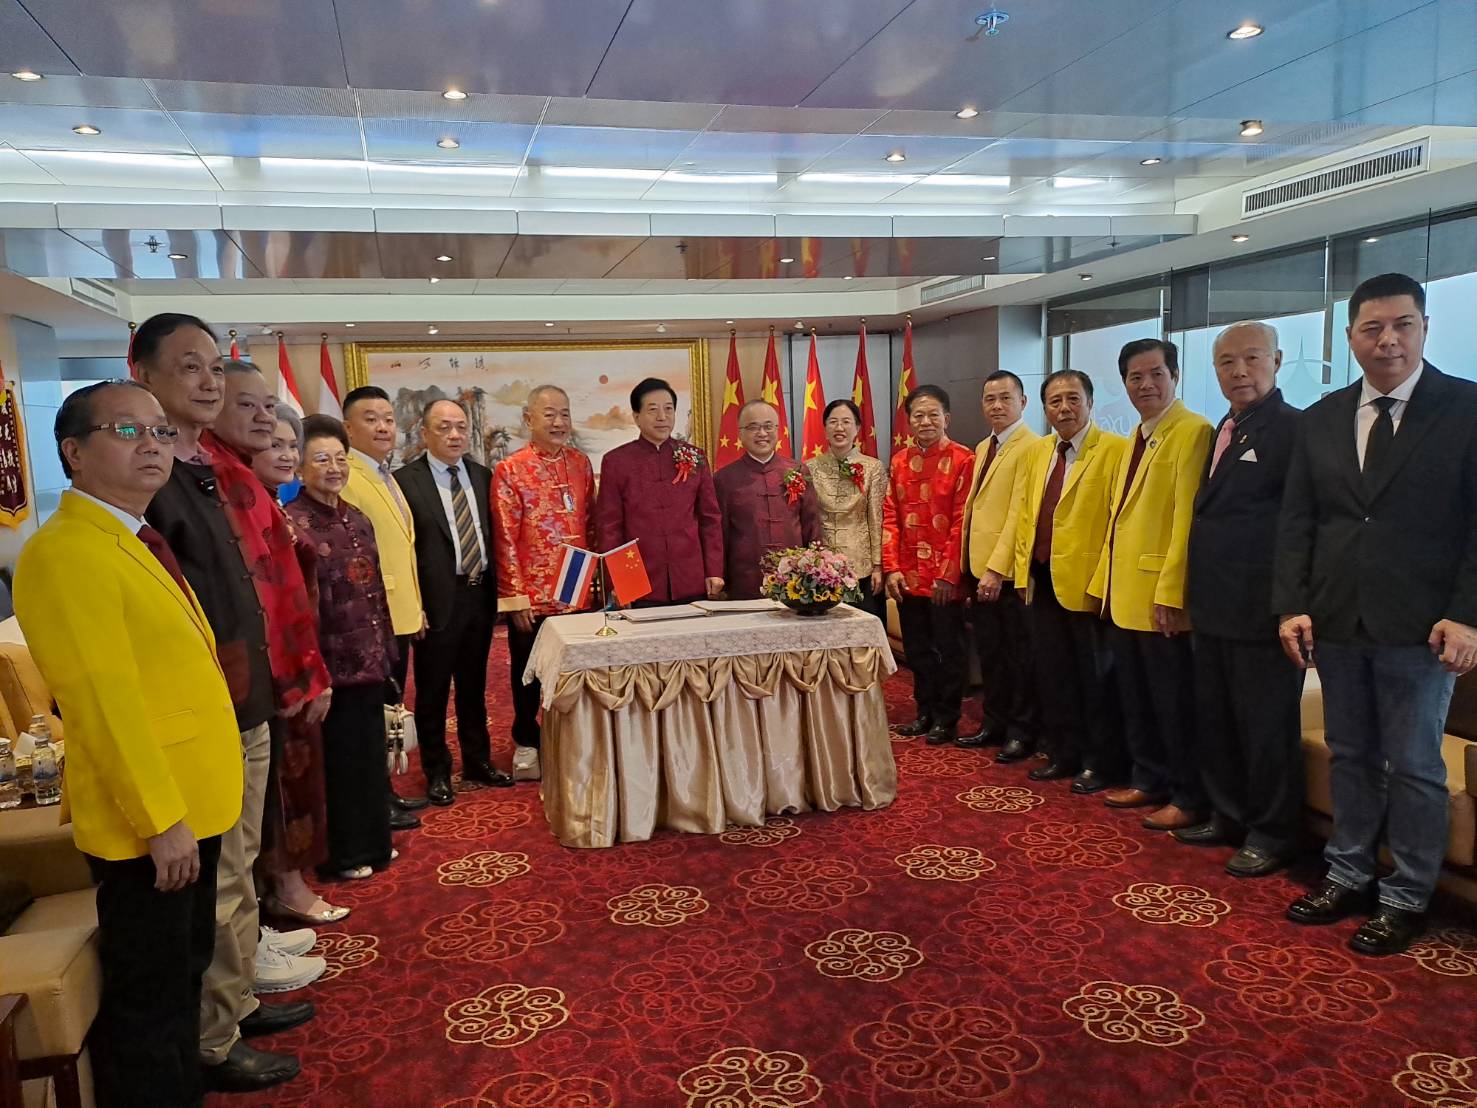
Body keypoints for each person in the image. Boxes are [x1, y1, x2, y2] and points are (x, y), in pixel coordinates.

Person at [15, 381, 244, 1108]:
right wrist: (159, 819)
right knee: (150, 996)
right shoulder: (66, 552)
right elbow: (101, 704)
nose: (152, 444)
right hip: (151, 820)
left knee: (182, 975)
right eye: (126, 430)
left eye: (159, 431)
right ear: (74, 452)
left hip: (191, 799)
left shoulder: (131, 535)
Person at [136, 320, 317, 1094]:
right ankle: (214, 1038)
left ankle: (234, 1005)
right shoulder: (151, 481)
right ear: (143, 375)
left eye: (216, 367)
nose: (210, 382)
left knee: (239, 866)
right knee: (220, 878)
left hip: (245, 699)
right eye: (191, 368)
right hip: (203, 711)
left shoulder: (211, 469)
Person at [1275, 272, 1477, 956]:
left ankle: (1406, 896)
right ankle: (1348, 873)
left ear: (1424, 329)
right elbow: (1299, 521)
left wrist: (1466, 614)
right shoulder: (1323, 417)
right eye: (1372, 328)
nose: (1388, 340)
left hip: (1422, 628)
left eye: (1402, 325)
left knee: (1415, 765)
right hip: (1336, 620)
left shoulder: (1464, 408)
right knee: (1352, 755)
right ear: (1350, 337)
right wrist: (1292, 605)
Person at [1178, 322, 1305, 877]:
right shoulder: (1223, 429)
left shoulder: (1293, 428)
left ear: (1277, 360)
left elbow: (1299, 525)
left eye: (1252, 359)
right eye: (1227, 362)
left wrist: (1291, 605)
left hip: (1261, 609)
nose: (1239, 371)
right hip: (1213, 604)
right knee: (1218, 720)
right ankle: (1227, 814)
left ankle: (1273, 833)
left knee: (1265, 729)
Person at [1093, 339, 1213, 832]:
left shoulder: (1192, 431)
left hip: (1160, 596)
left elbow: (1186, 517)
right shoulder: (1137, 436)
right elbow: (1119, 518)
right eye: (1135, 377)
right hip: (1124, 592)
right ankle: (1148, 777)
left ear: (1175, 376)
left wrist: (1172, 591)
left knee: (1172, 701)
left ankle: (1187, 795)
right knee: (1137, 695)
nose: (1145, 385)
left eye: (1155, 374)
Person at [285, 418, 399, 879]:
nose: (334, 468)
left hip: (369, 658)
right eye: (321, 459)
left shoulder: (357, 518)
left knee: (370, 756)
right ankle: (344, 856)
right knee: (338, 764)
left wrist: (387, 648)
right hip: (328, 665)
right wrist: (311, 671)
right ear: (299, 467)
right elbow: (296, 607)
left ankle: (375, 843)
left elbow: (377, 592)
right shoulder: (294, 524)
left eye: (340, 458)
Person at [251, 413, 349, 922]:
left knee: (296, 778)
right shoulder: (251, 510)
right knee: (280, 785)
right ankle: (283, 887)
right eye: (275, 444)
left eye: (292, 444)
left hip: (301, 658)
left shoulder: (270, 505)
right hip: (275, 669)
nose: (287, 454)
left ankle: (287, 883)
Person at [1011, 371, 1129, 790]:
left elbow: (1116, 523)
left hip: (1087, 585)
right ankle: (1063, 753)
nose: (1064, 408)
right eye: (1055, 401)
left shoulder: (1115, 450)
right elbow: (1027, 515)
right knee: (1053, 673)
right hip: (1042, 579)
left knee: (1094, 678)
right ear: (1045, 408)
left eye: (1073, 399)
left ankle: (1099, 762)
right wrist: (1021, 572)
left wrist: (1103, 584)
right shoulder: (1039, 451)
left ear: (1090, 403)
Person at [396, 399, 514, 805]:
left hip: (478, 595)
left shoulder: (482, 476)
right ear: (424, 433)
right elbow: (404, 551)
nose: (455, 435)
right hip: (435, 602)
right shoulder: (405, 482)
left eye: (461, 427)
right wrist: (414, 604)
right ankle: (437, 771)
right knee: (432, 691)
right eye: (444, 427)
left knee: (473, 685)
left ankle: (478, 761)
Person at [492, 385, 597, 781]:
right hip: (532, 596)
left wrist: (596, 583)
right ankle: (526, 740)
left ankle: (571, 738)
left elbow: (590, 524)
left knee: (575, 672)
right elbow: (504, 538)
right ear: (528, 419)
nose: (558, 422)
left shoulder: (580, 464)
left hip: (577, 589)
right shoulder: (510, 469)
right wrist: (514, 598)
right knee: (528, 672)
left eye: (564, 414)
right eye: (549, 414)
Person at [338, 385, 428, 829]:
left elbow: (401, 550)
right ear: (348, 427)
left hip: (399, 613)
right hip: (373, 618)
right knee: (373, 713)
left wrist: (416, 605)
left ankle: (386, 792)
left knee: (390, 707)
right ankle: (377, 801)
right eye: (371, 419)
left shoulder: (384, 474)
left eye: (389, 419)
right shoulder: (349, 477)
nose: (383, 427)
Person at [883, 384, 975, 745]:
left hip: (943, 580)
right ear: (909, 421)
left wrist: (948, 575)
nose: (925, 421)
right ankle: (924, 712)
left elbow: (962, 522)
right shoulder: (899, 462)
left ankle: (947, 717)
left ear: (946, 418)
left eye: (933, 414)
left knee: (949, 650)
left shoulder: (964, 459)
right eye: (918, 415)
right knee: (918, 649)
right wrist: (891, 568)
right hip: (908, 576)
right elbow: (890, 516)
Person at [959, 371, 1040, 753]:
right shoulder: (983, 446)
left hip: (1005, 575)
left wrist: (995, 569)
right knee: (991, 655)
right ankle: (994, 723)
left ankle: (1021, 732)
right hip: (978, 570)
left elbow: (1018, 516)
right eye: (990, 398)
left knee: (1017, 656)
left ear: (1023, 402)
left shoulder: (1031, 447)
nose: (997, 405)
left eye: (1005, 398)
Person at [596, 377, 724, 604]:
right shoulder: (616, 462)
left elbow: (710, 519)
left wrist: (714, 570)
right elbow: (610, 527)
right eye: (653, 410)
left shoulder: (695, 456)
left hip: (691, 577)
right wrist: (621, 581)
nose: (662, 417)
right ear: (636, 417)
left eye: (669, 409)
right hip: (640, 580)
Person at [714, 400, 822, 599]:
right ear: (740, 433)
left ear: (777, 430)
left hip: (794, 582)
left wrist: (817, 569)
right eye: (753, 427)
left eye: (768, 426)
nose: (762, 433)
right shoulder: (724, 478)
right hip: (745, 582)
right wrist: (720, 577)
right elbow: (720, 534)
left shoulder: (798, 470)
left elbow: (812, 525)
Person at [806, 398, 886, 617]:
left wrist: (878, 566)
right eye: (833, 422)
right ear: (825, 429)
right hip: (822, 566)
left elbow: (877, 520)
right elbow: (808, 518)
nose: (839, 428)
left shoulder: (873, 467)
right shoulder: (810, 468)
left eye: (846, 422)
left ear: (857, 428)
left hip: (862, 566)